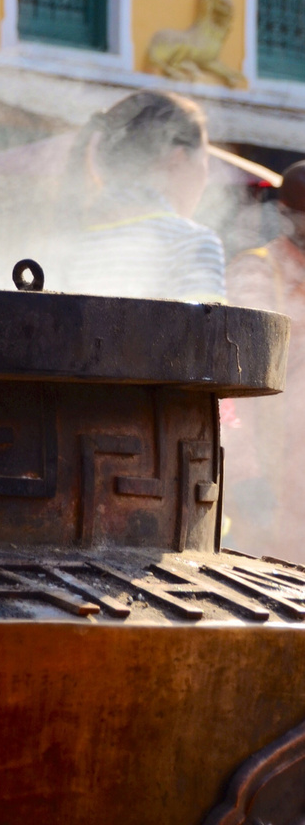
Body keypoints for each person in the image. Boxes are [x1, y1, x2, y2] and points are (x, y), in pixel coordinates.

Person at [59, 90, 225, 304]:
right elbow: (208, 336)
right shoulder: (192, 243)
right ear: (178, 159)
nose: (206, 178)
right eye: (205, 161)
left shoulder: (68, 237)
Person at [223, 162, 305, 561]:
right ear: (291, 216)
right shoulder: (256, 272)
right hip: (272, 491)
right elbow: (231, 388)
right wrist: (245, 475)